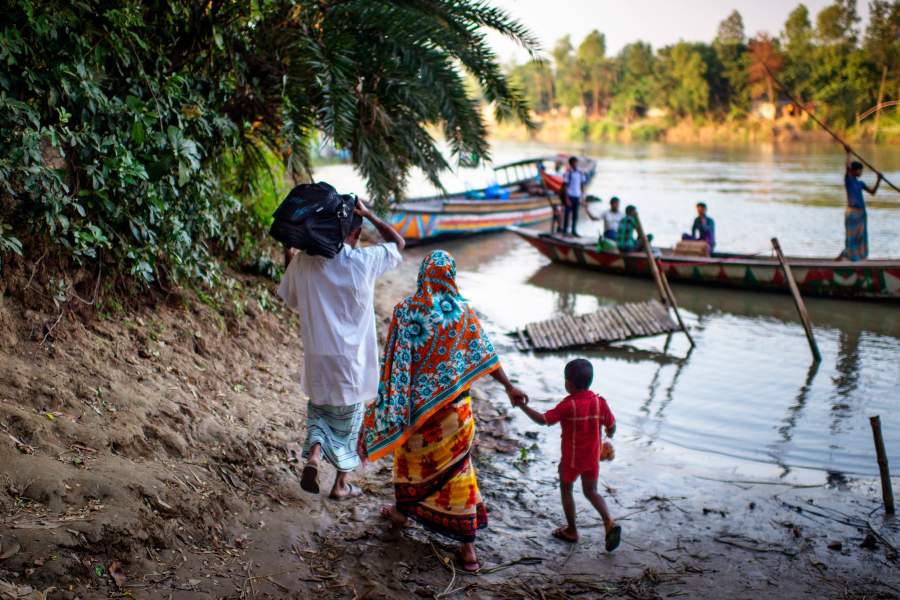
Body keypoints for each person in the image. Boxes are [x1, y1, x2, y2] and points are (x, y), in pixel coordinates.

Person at [361, 250, 528, 572]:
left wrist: (391, 403)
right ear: (451, 275)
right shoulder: (464, 312)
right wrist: (509, 387)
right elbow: (486, 354)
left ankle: (401, 513)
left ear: (424, 273)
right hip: (455, 413)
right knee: (458, 470)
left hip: (417, 412)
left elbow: (395, 363)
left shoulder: (406, 311)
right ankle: (467, 549)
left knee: (411, 464)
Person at [277, 197, 405, 500]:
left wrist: (289, 251)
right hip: (351, 362)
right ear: (356, 234)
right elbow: (398, 243)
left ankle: (314, 458)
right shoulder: (362, 262)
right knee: (350, 422)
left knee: (320, 412)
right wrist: (370, 214)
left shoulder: (303, 262)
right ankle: (340, 485)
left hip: (317, 358)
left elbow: (291, 296)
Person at [512, 358, 621, 552]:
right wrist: (609, 435)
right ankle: (609, 522)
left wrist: (522, 406)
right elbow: (612, 426)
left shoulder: (568, 405)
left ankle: (571, 530)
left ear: (568, 383)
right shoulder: (599, 402)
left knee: (566, 490)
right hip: (592, 458)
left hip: (571, 460)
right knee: (592, 492)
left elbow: (543, 420)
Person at [840, 149, 882, 261]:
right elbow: (847, 167)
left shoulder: (860, 183)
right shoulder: (848, 179)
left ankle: (858, 256)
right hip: (852, 212)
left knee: (860, 237)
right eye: (859, 171)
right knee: (851, 237)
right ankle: (848, 256)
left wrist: (879, 180)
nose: (861, 173)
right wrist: (848, 153)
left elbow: (873, 192)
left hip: (861, 213)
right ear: (854, 171)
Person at [562, 156, 587, 237]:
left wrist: (583, 197)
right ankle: (565, 231)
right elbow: (565, 186)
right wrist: (566, 198)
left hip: (577, 196)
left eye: (576, 162)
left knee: (575, 215)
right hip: (570, 196)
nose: (575, 164)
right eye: (574, 162)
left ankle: (574, 230)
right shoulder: (568, 173)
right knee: (567, 214)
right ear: (571, 164)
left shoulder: (580, 173)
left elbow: (582, 185)